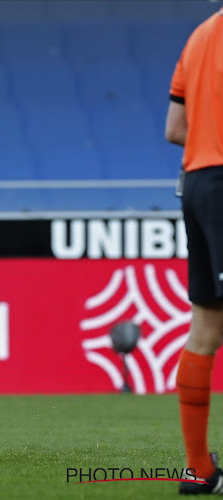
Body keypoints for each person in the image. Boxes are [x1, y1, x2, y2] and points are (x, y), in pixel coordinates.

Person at [166, 5, 223, 495]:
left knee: (207, 326)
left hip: (198, 180)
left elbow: (175, 128)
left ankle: (200, 469)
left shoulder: (201, 36)